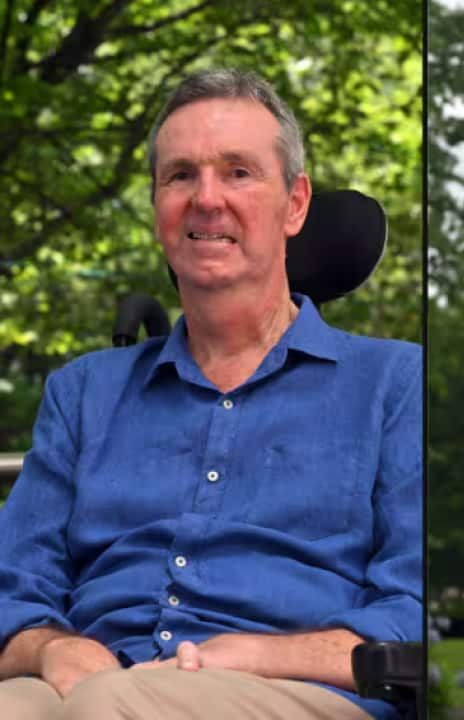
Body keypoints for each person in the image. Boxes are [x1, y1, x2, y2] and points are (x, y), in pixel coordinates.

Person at [0, 68, 422, 720]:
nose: (206, 198)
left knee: (110, 706)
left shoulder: (394, 385)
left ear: (296, 204)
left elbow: (412, 612)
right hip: (85, 682)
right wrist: (50, 648)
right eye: (180, 176)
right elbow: (12, 592)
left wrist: (254, 654)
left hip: (297, 691)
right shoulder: (83, 393)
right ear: (157, 208)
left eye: (238, 172)